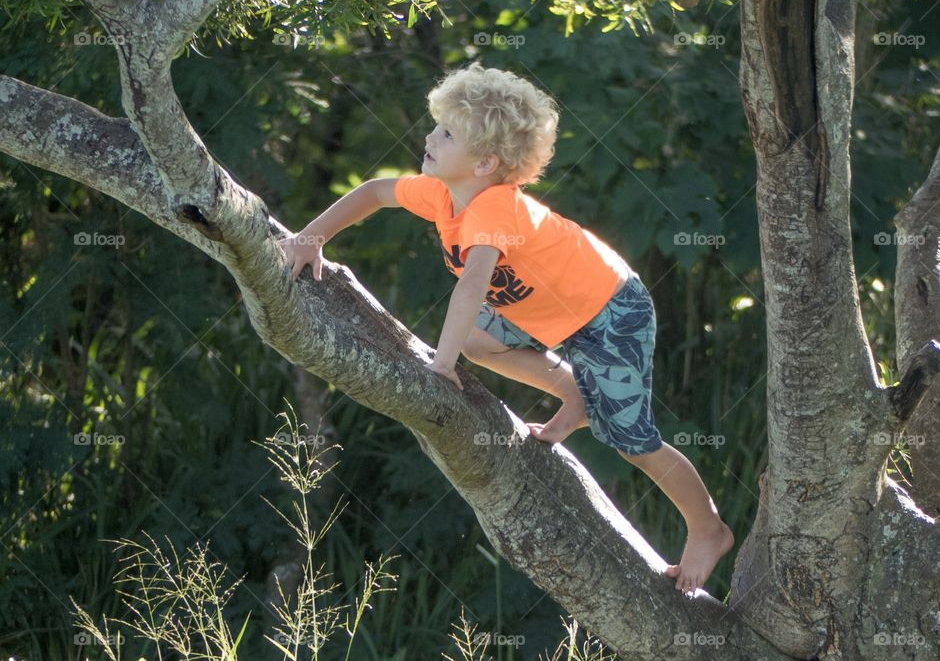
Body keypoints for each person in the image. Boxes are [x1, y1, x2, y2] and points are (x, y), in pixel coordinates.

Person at [280, 63, 733, 594]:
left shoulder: (493, 208)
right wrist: (310, 237)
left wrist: (439, 365)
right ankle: (574, 393)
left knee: (630, 439)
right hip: (548, 314)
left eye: (446, 133)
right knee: (478, 341)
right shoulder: (443, 193)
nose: (429, 136)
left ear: (486, 162)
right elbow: (376, 192)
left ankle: (708, 529)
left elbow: (472, 286)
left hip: (610, 313)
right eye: (437, 125)